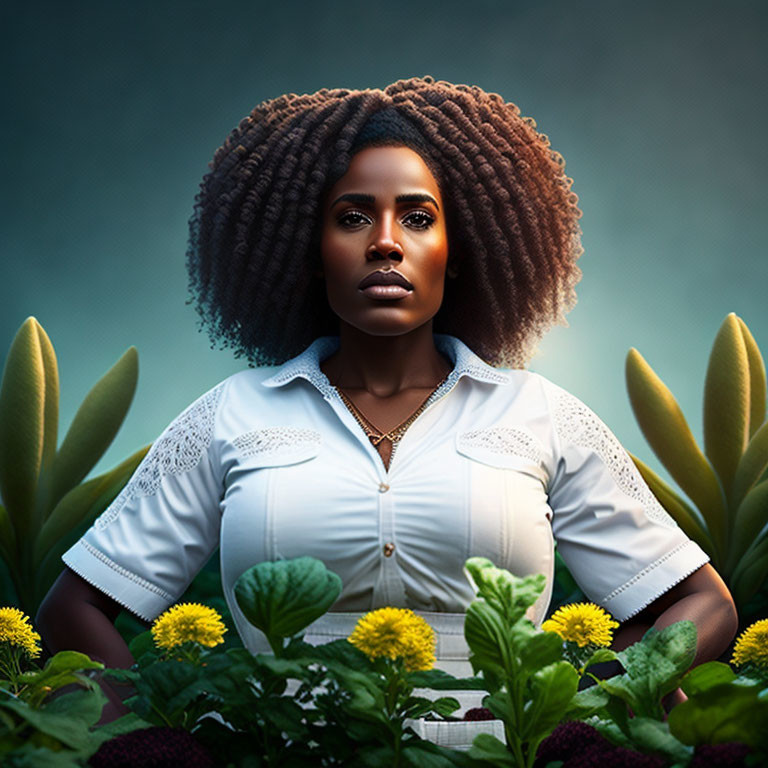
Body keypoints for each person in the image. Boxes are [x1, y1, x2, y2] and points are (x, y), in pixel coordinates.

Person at [37, 77, 737, 742]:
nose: (384, 242)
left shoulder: (541, 416)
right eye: (351, 218)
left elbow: (702, 603)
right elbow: (74, 609)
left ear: (457, 252)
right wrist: (171, 740)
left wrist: (585, 703)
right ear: (308, 252)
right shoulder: (231, 415)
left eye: (418, 217)